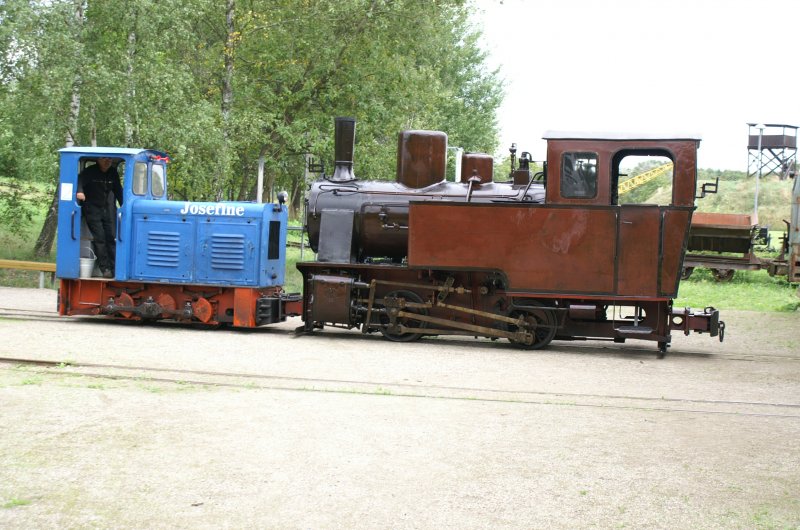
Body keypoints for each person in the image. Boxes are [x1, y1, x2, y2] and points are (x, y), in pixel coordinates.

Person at [76, 157, 123, 278]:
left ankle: (115, 268)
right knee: (100, 238)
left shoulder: (112, 173)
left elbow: (118, 190)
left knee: (111, 237)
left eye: (109, 159)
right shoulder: (90, 171)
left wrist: (125, 206)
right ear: (98, 160)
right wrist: (80, 191)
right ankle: (105, 269)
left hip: (108, 210)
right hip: (92, 209)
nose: (107, 161)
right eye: (104, 159)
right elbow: (79, 181)